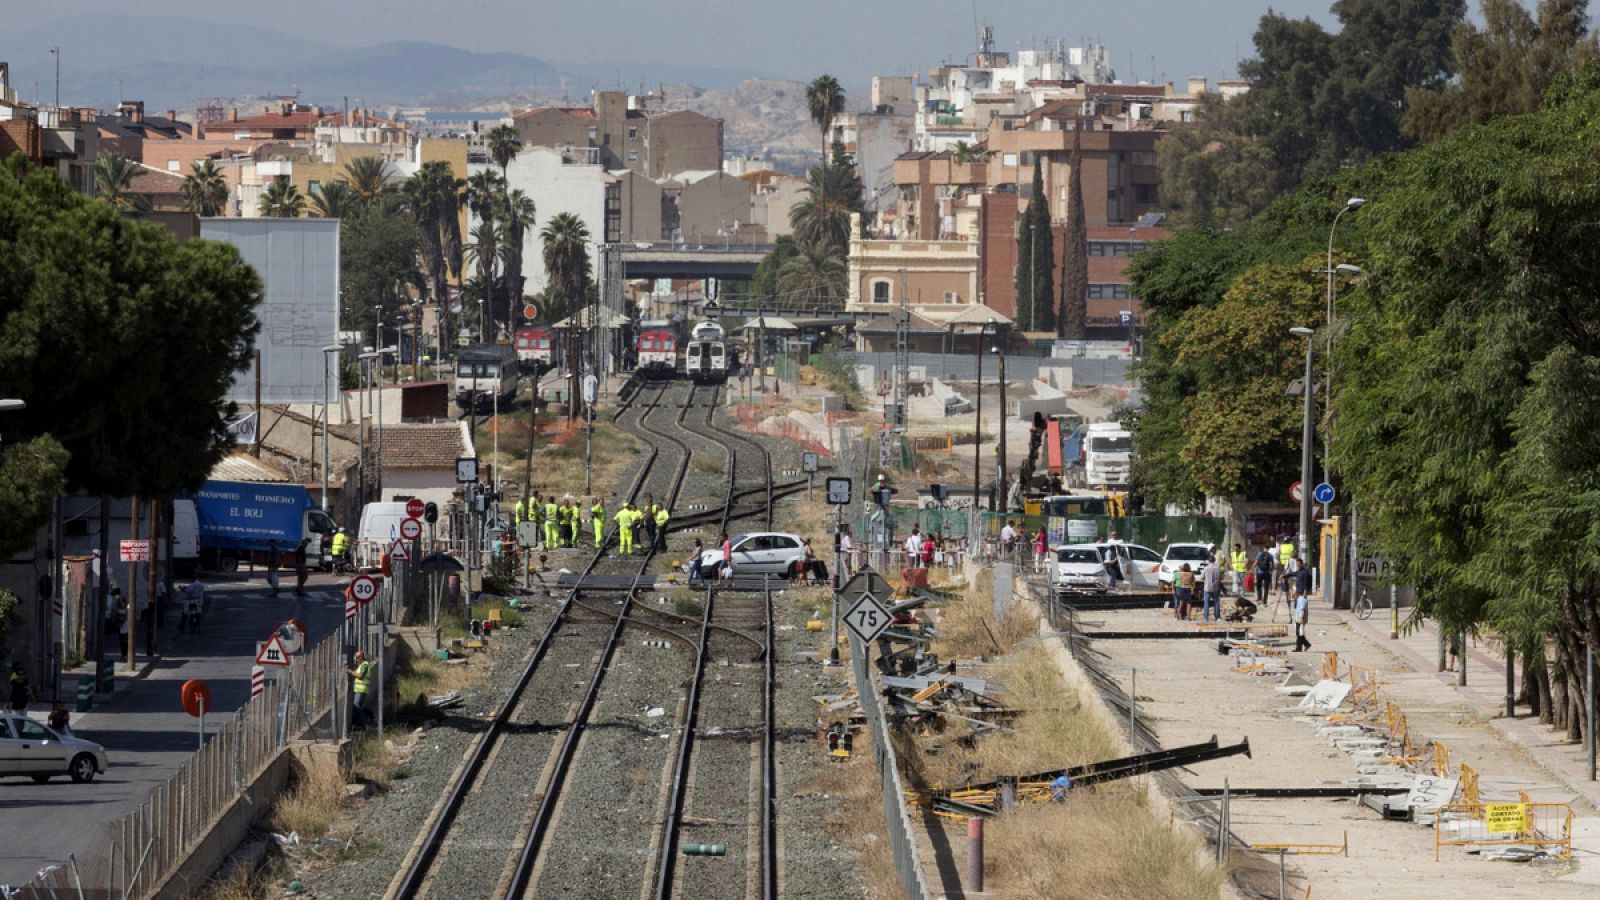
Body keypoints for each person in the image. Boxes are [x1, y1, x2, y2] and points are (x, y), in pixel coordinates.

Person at [347, 650, 373, 727]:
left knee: (356, 706)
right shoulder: (361, 665)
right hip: (360, 689)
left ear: (362, 657)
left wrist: (351, 672)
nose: (356, 659)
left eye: (357, 657)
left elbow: (360, 676)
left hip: (362, 689)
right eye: (355, 657)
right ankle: (361, 723)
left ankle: (363, 724)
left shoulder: (364, 665)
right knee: (359, 707)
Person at [1292, 560, 1313, 651]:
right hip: (1299, 617)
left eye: (1298, 564)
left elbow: (1303, 609)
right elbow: (1292, 573)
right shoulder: (1297, 599)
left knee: (1299, 631)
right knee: (1298, 631)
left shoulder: (1302, 599)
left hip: (1301, 617)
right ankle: (1299, 647)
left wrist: (1301, 617)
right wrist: (1284, 576)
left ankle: (1305, 644)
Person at [1200, 555, 1223, 622]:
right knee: (1216, 602)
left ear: (1208, 561)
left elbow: (1201, 577)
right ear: (1214, 560)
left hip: (1207, 587)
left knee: (1206, 603)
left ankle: (1206, 617)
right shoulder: (1218, 568)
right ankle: (1217, 617)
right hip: (1216, 587)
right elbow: (1221, 577)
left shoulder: (1206, 568)